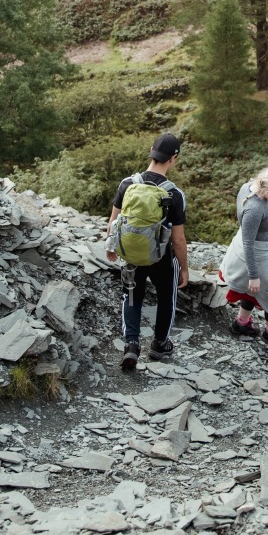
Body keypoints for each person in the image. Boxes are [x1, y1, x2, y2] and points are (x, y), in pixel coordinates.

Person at [108, 133, 189, 371]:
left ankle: (131, 345)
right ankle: (160, 343)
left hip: (131, 254)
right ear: (173, 158)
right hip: (161, 257)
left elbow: (113, 222)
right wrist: (184, 268)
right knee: (166, 297)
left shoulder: (127, 184)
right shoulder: (174, 194)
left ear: (151, 151)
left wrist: (111, 246)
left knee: (132, 296)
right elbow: (178, 239)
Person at [220, 165, 268, 351]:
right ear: (267, 188)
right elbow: (249, 245)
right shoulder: (253, 210)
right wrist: (253, 275)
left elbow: (266, 204)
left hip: (262, 250)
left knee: (251, 292)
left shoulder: (249, 188)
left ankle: (242, 322)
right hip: (258, 255)